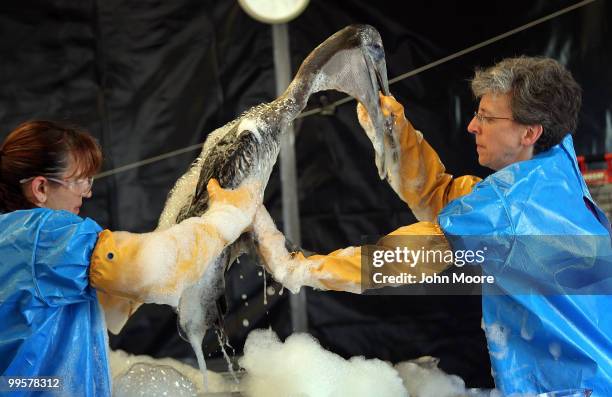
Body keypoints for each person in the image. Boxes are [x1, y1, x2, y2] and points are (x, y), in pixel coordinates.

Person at [252, 56, 612, 395]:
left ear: (530, 133)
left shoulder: (509, 207)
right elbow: (444, 197)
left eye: (487, 117)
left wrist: (296, 269)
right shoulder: (554, 165)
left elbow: (398, 258)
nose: (473, 126)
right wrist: (393, 133)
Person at [0, 120, 260, 396]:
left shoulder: (12, 235)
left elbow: (108, 295)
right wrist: (225, 219)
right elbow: (145, 271)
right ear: (40, 188)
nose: (87, 192)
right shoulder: (49, 234)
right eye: (79, 181)